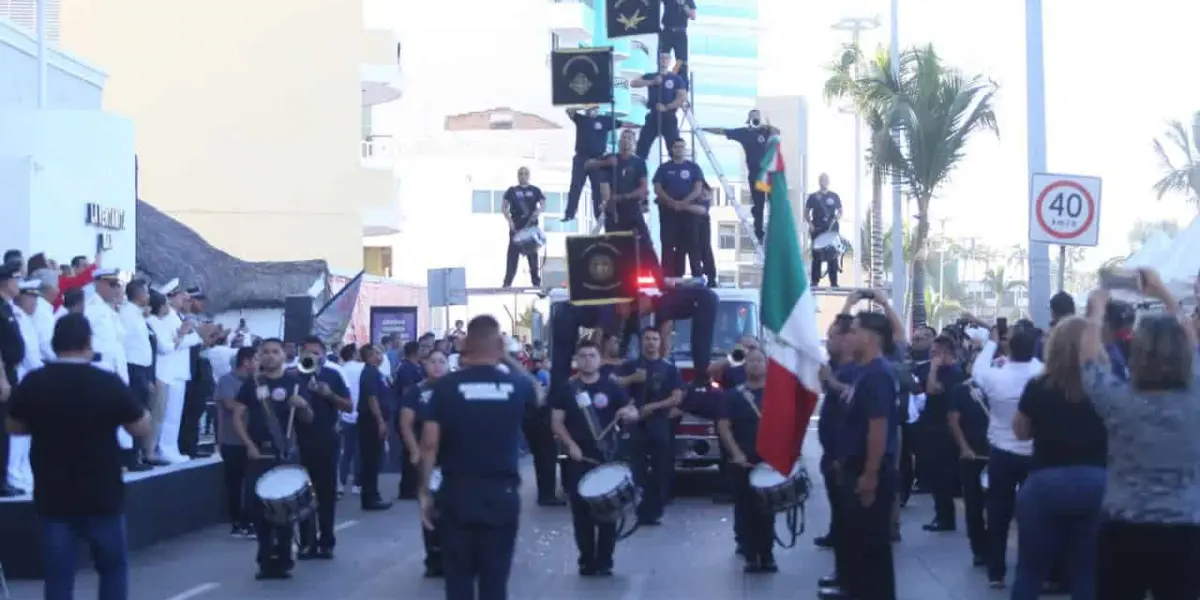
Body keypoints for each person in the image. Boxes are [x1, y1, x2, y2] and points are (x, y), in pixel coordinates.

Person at [6, 314, 152, 600]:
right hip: (102, 494)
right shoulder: (105, 381)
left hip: (54, 494)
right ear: (88, 342)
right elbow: (139, 427)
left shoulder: (35, 381)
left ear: (54, 343)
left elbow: (14, 427)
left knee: (59, 575)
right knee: (112, 569)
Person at [1081, 273, 1200, 600]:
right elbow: (1192, 341)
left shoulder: (1118, 399)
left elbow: (1089, 362)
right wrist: (1165, 295)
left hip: (1124, 527)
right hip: (1186, 528)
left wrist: (1095, 314)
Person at [416, 315, 541, 600]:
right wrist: (506, 357)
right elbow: (538, 393)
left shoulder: (445, 387)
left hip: (457, 493)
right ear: (499, 344)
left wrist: (424, 493)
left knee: (458, 581)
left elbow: (429, 444)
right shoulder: (517, 386)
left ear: (466, 344)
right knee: (494, 581)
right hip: (501, 493)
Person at [1009, 317, 1107, 600]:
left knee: (1030, 569)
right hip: (1097, 482)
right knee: (1087, 570)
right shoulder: (1105, 385)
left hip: (1046, 482)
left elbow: (1021, 432)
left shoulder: (1039, 386)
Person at [550, 340, 638, 576]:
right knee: (581, 514)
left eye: (592, 355)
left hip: (607, 455)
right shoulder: (567, 389)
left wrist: (627, 413)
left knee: (608, 511)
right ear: (576, 360)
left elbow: (632, 412)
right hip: (578, 458)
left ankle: (605, 561)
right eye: (583, 355)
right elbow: (556, 422)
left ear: (599, 359)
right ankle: (586, 560)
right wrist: (570, 445)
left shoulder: (611, 387)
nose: (587, 359)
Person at [828, 311, 899, 600]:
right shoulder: (862, 371)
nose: (849, 337)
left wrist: (869, 475)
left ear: (870, 337)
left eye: (854, 331)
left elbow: (878, 427)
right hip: (853, 466)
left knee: (872, 548)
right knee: (858, 544)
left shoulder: (878, 374)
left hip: (869, 470)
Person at [229, 338, 314, 580]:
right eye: (264, 352)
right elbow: (237, 417)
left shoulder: (295, 383)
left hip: (284, 453)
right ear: (259, 356)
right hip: (260, 454)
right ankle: (265, 560)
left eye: (275, 352)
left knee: (284, 510)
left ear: (283, 356)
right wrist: (248, 445)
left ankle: (284, 559)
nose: (269, 356)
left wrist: (304, 405)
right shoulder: (252, 383)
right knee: (260, 510)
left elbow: (308, 419)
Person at [970, 320, 1042, 588]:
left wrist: (991, 342)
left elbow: (977, 369)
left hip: (1001, 452)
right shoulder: (1043, 373)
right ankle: (1032, 570)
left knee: (998, 513)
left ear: (1007, 345)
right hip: (1035, 453)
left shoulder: (994, 375)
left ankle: (996, 572)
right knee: (1033, 516)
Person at [716, 348, 777, 573]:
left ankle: (768, 555)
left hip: (768, 461)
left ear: (767, 365)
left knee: (767, 509)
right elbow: (724, 425)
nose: (755, 364)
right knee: (745, 508)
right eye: (751, 361)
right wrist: (736, 453)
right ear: (744, 366)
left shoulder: (775, 394)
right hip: (743, 460)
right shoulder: (733, 395)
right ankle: (751, 556)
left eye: (760, 360)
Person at [615, 327, 683, 526]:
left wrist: (654, 406)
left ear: (660, 343)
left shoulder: (669, 368)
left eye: (655, 339)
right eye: (647, 339)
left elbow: (677, 397)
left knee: (660, 469)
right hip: (634, 425)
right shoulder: (629, 366)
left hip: (659, 424)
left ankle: (654, 510)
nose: (651, 342)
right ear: (641, 342)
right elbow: (614, 384)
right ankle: (642, 508)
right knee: (637, 469)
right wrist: (631, 380)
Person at [293, 337, 352, 559]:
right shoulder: (294, 376)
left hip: (327, 441)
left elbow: (348, 406)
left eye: (316, 352)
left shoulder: (333, 375)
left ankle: (326, 541)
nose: (312, 356)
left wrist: (329, 394)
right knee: (303, 496)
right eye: (307, 352)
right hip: (300, 442)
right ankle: (307, 542)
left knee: (326, 494)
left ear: (323, 355)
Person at [400, 349, 449, 577]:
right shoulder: (416, 392)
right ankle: (434, 556)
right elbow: (406, 423)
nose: (437, 365)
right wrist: (414, 450)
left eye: (442, 361)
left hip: (453, 458)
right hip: (428, 458)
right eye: (433, 361)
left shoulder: (454, 390)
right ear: (424, 364)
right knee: (429, 505)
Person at [592, 129, 661, 283]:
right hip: (613, 211)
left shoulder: (638, 163)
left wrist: (624, 197)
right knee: (615, 247)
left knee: (646, 246)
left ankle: (659, 280)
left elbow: (643, 188)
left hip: (632, 210)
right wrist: (609, 203)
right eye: (623, 138)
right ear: (619, 142)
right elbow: (597, 176)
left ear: (634, 143)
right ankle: (618, 281)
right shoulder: (610, 160)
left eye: (630, 138)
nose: (626, 141)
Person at [702, 110, 779, 242]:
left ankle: (776, 233)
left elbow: (777, 132)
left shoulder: (765, 131)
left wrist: (766, 126)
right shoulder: (744, 133)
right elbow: (723, 131)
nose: (755, 118)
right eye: (753, 116)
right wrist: (704, 129)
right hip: (756, 176)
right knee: (759, 204)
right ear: (748, 119)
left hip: (768, 175)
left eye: (757, 116)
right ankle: (759, 234)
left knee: (774, 202)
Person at [814, 316, 854, 555]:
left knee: (847, 502)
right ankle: (836, 533)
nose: (827, 341)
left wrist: (831, 382)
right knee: (836, 500)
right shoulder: (835, 365)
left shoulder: (854, 370)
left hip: (845, 451)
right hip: (831, 448)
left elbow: (853, 396)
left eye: (832, 336)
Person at [946, 360, 992, 568]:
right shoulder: (961, 390)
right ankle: (979, 549)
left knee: (998, 505)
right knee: (973, 504)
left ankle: (994, 547)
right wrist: (964, 447)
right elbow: (954, 420)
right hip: (972, 453)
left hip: (997, 453)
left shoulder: (999, 387)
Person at [217, 346, 258, 538]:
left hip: (252, 439)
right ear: (246, 362)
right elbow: (229, 404)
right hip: (232, 440)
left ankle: (249, 520)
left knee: (250, 483)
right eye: (256, 359)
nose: (259, 363)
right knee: (234, 484)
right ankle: (237, 523)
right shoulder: (227, 380)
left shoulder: (256, 382)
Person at [653, 138, 705, 278]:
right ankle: (668, 277)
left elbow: (698, 189)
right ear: (672, 149)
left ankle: (697, 276)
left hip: (688, 212)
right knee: (668, 244)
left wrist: (683, 203)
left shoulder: (693, 167)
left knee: (692, 244)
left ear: (685, 149)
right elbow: (657, 189)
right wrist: (671, 202)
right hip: (668, 211)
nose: (679, 149)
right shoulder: (664, 168)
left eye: (682, 147)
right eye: (676, 147)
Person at [563, 106, 617, 223]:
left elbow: (622, 124)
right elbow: (568, 110)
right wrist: (583, 107)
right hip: (581, 158)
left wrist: (639, 125)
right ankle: (570, 213)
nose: (592, 110)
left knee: (597, 189)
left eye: (594, 107)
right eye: (590, 108)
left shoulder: (604, 120)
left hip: (597, 159)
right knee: (576, 186)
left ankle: (598, 215)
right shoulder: (581, 119)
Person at [356, 344, 393, 511]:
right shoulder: (370, 373)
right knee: (370, 460)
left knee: (375, 460)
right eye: (377, 353)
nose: (381, 355)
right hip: (370, 422)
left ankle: (374, 494)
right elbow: (372, 398)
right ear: (370, 356)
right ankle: (369, 498)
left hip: (376, 421)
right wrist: (379, 421)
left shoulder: (376, 372)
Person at [631, 54, 688, 160]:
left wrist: (667, 107)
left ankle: (675, 168)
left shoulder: (676, 79)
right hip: (653, 115)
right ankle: (638, 170)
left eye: (666, 58)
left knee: (673, 146)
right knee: (643, 145)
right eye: (661, 58)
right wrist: (651, 82)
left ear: (670, 61)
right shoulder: (651, 76)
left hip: (669, 116)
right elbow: (633, 83)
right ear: (658, 60)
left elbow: (682, 97)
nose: (663, 60)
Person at [501, 167, 545, 289]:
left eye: (525, 174)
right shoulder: (512, 191)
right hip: (516, 228)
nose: (523, 176)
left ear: (529, 175)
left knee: (532, 256)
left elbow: (543, 203)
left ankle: (536, 283)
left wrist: (538, 211)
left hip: (530, 228)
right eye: (520, 173)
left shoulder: (535, 190)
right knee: (512, 256)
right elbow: (504, 207)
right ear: (517, 175)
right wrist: (509, 221)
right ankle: (507, 283)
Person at [394, 340, 425, 500]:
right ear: (416, 351)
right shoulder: (407, 368)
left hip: (415, 415)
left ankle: (412, 486)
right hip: (409, 415)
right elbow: (407, 392)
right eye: (422, 349)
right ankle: (408, 489)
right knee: (410, 452)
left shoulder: (415, 367)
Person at [804, 174, 842, 288]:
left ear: (828, 181)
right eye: (822, 180)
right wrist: (810, 224)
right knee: (816, 256)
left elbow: (840, 211)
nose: (824, 182)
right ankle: (814, 281)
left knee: (833, 255)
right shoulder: (813, 197)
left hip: (831, 230)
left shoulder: (834, 196)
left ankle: (834, 282)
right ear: (819, 181)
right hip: (817, 229)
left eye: (826, 180)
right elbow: (806, 213)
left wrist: (836, 218)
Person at [336, 343, 363, 496]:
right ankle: (357, 484)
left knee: (346, 451)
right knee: (359, 451)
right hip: (360, 413)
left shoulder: (340, 370)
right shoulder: (362, 368)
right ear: (353, 354)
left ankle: (341, 482)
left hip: (345, 415)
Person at [658, 0, 695, 78]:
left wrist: (683, 4)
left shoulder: (688, 1)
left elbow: (693, 16)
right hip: (667, 31)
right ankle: (662, 78)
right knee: (663, 56)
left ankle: (675, 78)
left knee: (681, 61)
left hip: (680, 32)